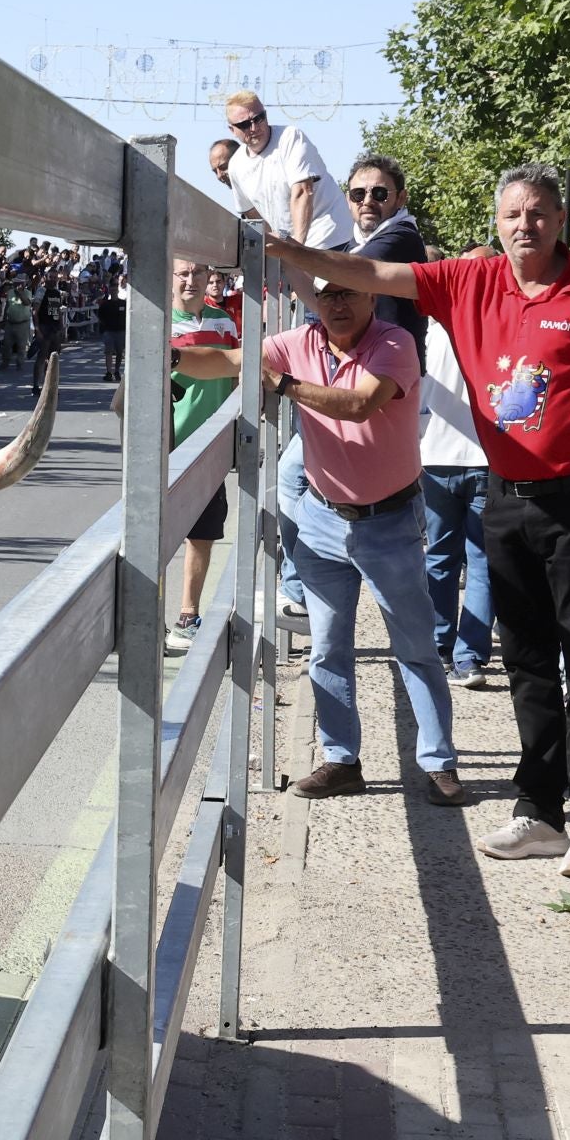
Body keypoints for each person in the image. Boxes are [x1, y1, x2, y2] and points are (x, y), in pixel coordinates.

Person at [268, 163, 570, 880]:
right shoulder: (467, 282)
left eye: (540, 212)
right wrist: (285, 249)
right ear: (497, 220)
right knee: (528, 663)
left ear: (560, 220)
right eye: (513, 212)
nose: (525, 224)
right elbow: (366, 272)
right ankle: (539, 812)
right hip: (505, 495)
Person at [175, 278, 467, 807]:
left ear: (371, 298)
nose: (336, 304)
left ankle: (439, 763)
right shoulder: (298, 343)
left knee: (416, 649)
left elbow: (359, 406)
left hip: (390, 523)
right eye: (327, 295)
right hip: (322, 522)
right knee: (328, 648)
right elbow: (226, 362)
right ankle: (341, 760)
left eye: (348, 293)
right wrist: (165, 356)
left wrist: (282, 384)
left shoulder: (395, 343)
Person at [419, 245, 495, 689]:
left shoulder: (430, 332)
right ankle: (469, 656)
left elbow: (417, 401)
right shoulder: (498, 328)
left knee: (440, 557)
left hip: (436, 457)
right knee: (482, 561)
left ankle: (438, 645)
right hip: (486, 460)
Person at [162, 259, 239, 653]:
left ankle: (188, 615)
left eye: (197, 272)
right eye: (182, 273)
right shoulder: (158, 319)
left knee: (204, 532)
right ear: (171, 276)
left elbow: (237, 377)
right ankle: (147, 615)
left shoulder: (224, 323)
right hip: (168, 446)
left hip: (211, 446)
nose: (190, 280)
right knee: (156, 534)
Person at [221, 90, 352, 252]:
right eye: (245, 125)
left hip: (330, 236)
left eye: (259, 118)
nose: (254, 127)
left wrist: (297, 248)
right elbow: (251, 213)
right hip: (293, 244)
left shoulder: (290, 137)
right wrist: (278, 249)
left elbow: (303, 191)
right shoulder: (236, 165)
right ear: (232, 129)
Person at [343, 154, 427, 355]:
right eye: (358, 194)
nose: (367, 201)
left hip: (395, 370)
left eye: (379, 193)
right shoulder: (351, 246)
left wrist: (291, 250)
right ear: (348, 200)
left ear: (400, 198)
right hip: (361, 363)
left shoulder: (403, 236)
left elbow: (356, 268)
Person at [96, 282, 127, 382]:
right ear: (109, 291)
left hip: (121, 331)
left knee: (119, 352)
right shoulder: (105, 304)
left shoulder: (123, 303)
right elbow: (99, 317)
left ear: (117, 291)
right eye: (112, 290)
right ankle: (109, 372)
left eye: (115, 290)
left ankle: (117, 370)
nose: (113, 292)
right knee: (108, 351)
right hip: (109, 331)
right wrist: (103, 329)